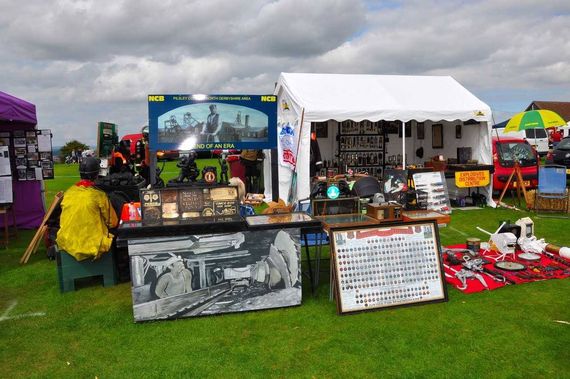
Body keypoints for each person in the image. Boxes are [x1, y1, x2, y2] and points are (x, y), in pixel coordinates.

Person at [56, 157, 118, 261]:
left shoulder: (68, 192)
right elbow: (113, 222)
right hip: (93, 245)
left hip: (67, 242)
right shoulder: (99, 195)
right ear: (97, 174)